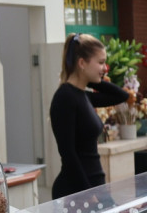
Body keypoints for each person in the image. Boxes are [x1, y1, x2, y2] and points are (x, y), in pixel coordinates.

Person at [49, 33, 130, 199]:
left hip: (94, 186)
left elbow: (121, 96)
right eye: (100, 62)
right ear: (81, 63)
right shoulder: (65, 97)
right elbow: (68, 152)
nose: (105, 68)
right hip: (78, 191)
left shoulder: (82, 95)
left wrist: (89, 78)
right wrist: (88, 193)